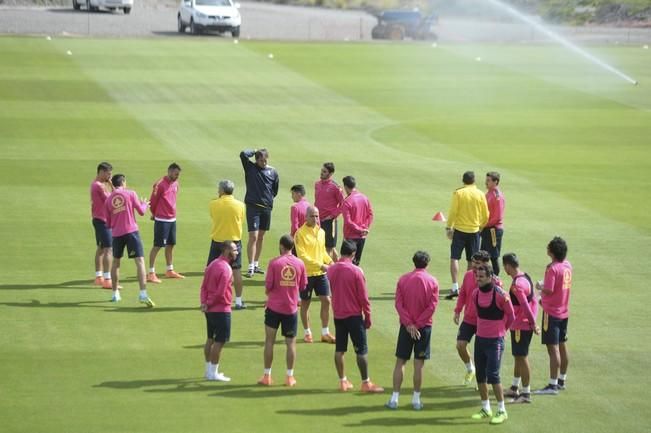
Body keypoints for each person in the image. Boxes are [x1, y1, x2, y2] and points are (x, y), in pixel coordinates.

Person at [327, 240, 383, 393]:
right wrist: (368, 316)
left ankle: (343, 381)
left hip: (338, 315)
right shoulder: (357, 271)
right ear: (353, 254)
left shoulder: (331, 270)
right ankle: (366, 382)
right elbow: (363, 297)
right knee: (361, 350)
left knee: (340, 349)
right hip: (354, 316)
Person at [386, 251, 439, 411]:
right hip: (424, 328)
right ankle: (416, 400)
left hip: (406, 327)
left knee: (400, 361)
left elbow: (398, 304)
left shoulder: (403, 279)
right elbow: (432, 306)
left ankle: (394, 398)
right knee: (419, 364)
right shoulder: (433, 282)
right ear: (427, 264)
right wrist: (418, 324)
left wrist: (409, 324)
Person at [258, 235, 307, 387]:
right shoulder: (300, 263)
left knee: (269, 342)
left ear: (281, 246)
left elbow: (268, 286)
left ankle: (267, 375)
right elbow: (303, 285)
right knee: (291, 343)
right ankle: (289, 377)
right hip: (291, 309)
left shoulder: (274, 263)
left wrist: (272, 295)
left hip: (273, 308)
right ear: (292, 247)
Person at [470, 265, 514, 425]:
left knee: (494, 375)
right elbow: (478, 315)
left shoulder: (501, 295)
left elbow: (511, 316)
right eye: (477, 276)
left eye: (481, 277)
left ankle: (502, 410)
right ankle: (485, 408)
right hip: (480, 339)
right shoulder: (475, 294)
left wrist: (503, 331)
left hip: (495, 341)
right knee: (480, 375)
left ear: (490, 277)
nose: (478, 279)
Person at [104, 174, 154, 307]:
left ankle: (115, 293)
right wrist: (145, 204)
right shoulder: (131, 193)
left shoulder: (108, 200)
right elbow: (142, 211)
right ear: (123, 182)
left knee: (116, 262)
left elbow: (108, 224)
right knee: (140, 261)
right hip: (131, 232)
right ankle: (143, 293)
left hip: (116, 234)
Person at [534, 236, 572, 395]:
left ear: (552, 252)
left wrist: (539, 288)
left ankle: (552, 384)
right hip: (564, 311)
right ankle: (562, 379)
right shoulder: (567, 265)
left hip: (551, 313)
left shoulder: (552, 268)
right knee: (562, 345)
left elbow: (548, 289)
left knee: (553, 348)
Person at [444, 171, 489, 300]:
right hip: (474, 231)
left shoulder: (459, 193)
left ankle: (455, 286)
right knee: (472, 260)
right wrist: (480, 226)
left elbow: (453, 211)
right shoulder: (480, 194)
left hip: (459, 230)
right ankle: (467, 286)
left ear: (463, 181)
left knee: (454, 258)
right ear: (474, 180)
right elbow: (486, 215)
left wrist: (449, 227)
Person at [294, 206, 336, 344]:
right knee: (305, 304)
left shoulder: (321, 232)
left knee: (327, 300)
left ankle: (325, 332)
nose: (316, 219)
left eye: (317, 216)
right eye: (312, 216)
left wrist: (330, 261)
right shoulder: (300, 234)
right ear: (306, 217)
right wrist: (321, 265)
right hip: (306, 274)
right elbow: (302, 256)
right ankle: (307, 332)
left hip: (320, 273)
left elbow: (322, 251)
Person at [502, 253, 540, 404]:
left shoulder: (517, 285)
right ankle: (514, 387)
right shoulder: (526, 277)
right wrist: (533, 321)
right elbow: (534, 301)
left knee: (522, 357)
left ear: (508, 266)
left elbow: (524, 305)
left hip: (520, 326)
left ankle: (526, 394)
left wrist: (532, 324)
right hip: (523, 324)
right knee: (518, 356)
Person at [453, 250, 493, 386]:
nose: (474, 266)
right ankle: (471, 369)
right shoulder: (468, 275)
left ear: (485, 264)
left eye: (477, 263)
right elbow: (463, 293)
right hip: (469, 318)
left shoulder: (493, 280)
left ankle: (483, 380)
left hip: (485, 321)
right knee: (460, 345)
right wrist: (458, 310)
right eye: (473, 262)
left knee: (483, 352)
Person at [201, 241, 238, 382]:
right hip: (221, 310)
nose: (237, 252)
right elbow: (220, 293)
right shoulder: (226, 269)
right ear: (226, 251)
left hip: (209, 310)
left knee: (210, 339)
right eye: (234, 250)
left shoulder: (212, 265)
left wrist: (204, 303)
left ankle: (208, 371)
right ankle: (213, 373)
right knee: (219, 342)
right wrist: (209, 303)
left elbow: (203, 287)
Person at [240, 148, 279, 278]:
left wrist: (267, 199)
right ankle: (250, 266)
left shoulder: (272, 172)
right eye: (261, 160)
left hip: (266, 208)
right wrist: (255, 150)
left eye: (265, 160)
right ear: (256, 160)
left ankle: (256, 264)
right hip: (253, 207)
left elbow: (274, 190)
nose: (263, 162)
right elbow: (243, 154)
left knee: (261, 237)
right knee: (253, 236)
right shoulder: (250, 168)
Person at [208, 180, 246, 309]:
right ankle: (239, 301)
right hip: (234, 241)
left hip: (218, 241)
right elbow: (241, 220)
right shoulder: (240, 205)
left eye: (219, 189)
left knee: (212, 270)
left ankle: (211, 298)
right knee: (236, 271)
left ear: (222, 190)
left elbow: (213, 217)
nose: (218, 191)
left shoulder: (213, 204)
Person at [147, 162, 184, 283]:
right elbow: (152, 202)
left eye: (178, 175)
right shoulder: (160, 184)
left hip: (172, 219)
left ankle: (169, 270)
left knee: (171, 245)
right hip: (162, 219)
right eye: (175, 174)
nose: (177, 176)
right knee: (157, 246)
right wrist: (155, 214)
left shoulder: (176, 183)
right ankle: (151, 273)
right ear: (169, 171)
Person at [90, 162, 115, 289]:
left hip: (98, 219)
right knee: (108, 249)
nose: (109, 177)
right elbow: (113, 200)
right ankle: (107, 279)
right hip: (103, 221)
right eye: (108, 174)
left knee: (100, 248)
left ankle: (99, 277)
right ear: (101, 172)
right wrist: (112, 185)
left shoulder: (95, 183)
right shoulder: (99, 186)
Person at [314, 162, 344, 261]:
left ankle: (328, 273)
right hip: (318, 220)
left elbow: (343, 204)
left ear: (330, 174)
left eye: (324, 171)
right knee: (322, 245)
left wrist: (332, 216)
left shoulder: (335, 187)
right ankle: (339, 267)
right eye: (322, 171)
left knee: (329, 247)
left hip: (329, 222)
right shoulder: (317, 184)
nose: (321, 173)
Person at [341, 176, 373, 266]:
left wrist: (360, 230)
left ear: (346, 187)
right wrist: (365, 228)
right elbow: (370, 214)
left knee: (347, 263)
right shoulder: (365, 198)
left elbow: (348, 221)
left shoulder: (347, 202)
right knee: (356, 262)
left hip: (350, 236)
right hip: (362, 237)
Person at [480, 172, 505, 275]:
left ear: (496, 182)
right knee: (482, 255)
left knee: (493, 257)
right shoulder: (489, 193)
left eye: (489, 180)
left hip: (493, 230)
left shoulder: (497, 196)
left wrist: (483, 226)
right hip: (487, 229)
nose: (486, 182)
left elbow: (497, 217)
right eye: (486, 180)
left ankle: (496, 280)